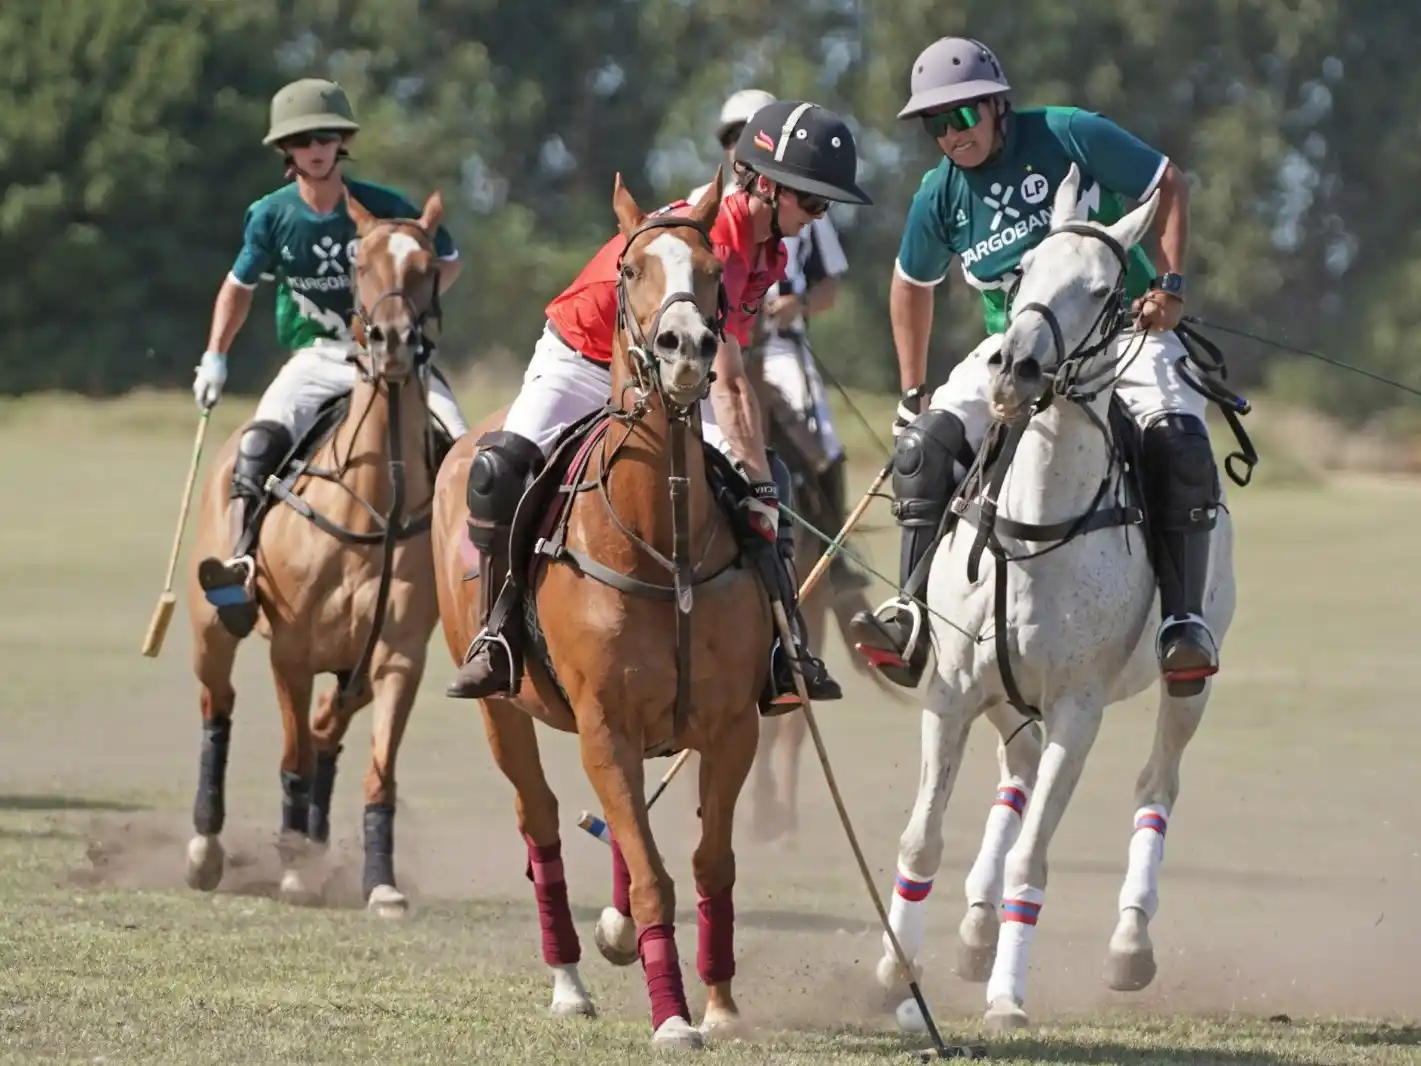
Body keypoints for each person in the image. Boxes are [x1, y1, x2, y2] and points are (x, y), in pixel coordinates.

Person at [445, 100, 873, 710]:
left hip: (671, 369)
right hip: (584, 356)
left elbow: (729, 370)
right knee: (499, 470)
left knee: (769, 481)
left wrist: (760, 480)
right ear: (766, 185)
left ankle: (783, 648)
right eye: (812, 201)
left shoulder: (769, 253)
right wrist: (756, 473)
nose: (816, 217)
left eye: (824, 206)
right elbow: (728, 383)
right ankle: (497, 634)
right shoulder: (713, 239)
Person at [850, 37, 1221, 697]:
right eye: (936, 125)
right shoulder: (940, 194)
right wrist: (911, 390)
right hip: (1015, 349)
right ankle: (909, 614)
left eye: (963, 116)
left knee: (1181, 442)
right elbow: (910, 283)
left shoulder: (1067, 133)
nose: (952, 135)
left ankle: (1183, 622)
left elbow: (1166, 181)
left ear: (998, 105)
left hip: (1122, 329)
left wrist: (1168, 287)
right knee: (921, 448)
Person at [191, 77, 470, 637]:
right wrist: (215, 356)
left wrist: (408, 309)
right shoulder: (271, 215)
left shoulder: (385, 205)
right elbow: (238, 288)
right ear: (286, 150)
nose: (316, 149)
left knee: (463, 448)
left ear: (342, 142)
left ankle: (471, 568)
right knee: (259, 441)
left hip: (395, 357)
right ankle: (242, 562)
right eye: (303, 141)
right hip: (317, 358)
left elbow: (448, 259)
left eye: (325, 137)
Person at [694, 90, 869, 595]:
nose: (738, 144)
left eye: (746, 132)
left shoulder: (809, 205)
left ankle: (836, 556)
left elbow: (830, 286)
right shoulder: (707, 201)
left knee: (824, 445)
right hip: (720, 345)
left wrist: (800, 305)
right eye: (732, 136)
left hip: (779, 343)